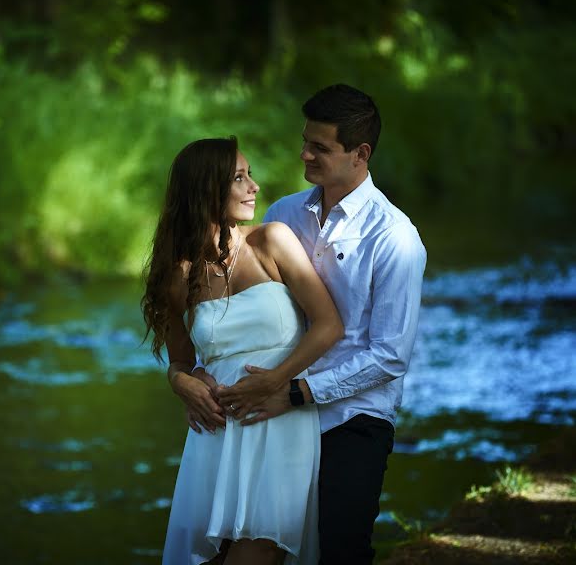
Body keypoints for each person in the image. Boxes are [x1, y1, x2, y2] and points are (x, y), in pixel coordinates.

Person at [217, 84, 428, 564]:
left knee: (339, 550)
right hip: (273, 407)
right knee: (250, 544)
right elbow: (256, 313)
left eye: (321, 147)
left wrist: (295, 391)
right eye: (305, 140)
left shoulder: (395, 237)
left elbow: (390, 356)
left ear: (361, 153)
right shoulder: (283, 214)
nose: (304, 153)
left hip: (353, 420)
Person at [142, 136, 344, 565]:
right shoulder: (177, 277)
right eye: (239, 178)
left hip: (277, 421)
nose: (254, 186)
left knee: (258, 550)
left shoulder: (271, 241)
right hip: (216, 431)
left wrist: (276, 379)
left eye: (249, 174)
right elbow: (180, 360)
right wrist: (182, 383)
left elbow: (328, 325)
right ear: (205, 191)